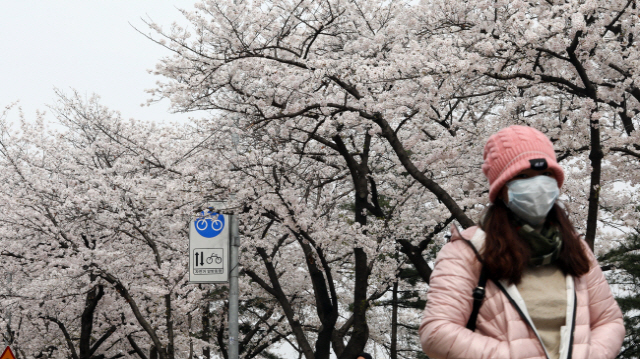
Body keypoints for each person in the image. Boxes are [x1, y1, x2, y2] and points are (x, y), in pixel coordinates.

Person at [419, 125, 625, 359]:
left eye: (546, 175)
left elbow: (609, 321)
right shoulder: (467, 250)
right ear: (502, 189)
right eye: (523, 176)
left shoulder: (576, 248)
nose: (537, 185)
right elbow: (436, 332)